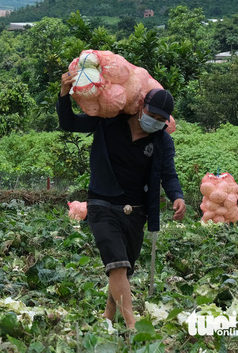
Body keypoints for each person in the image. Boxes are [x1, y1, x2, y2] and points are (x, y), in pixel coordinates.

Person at [56, 71, 186, 330]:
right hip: (102, 204)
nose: (155, 122)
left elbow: (168, 174)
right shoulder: (108, 121)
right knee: (116, 265)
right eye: (153, 115)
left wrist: (178, 196)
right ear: (141, 107)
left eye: (161, 120)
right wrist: (63, 95)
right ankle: (132, 326)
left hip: (136, 211)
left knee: (122, 268)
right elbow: (69, 122)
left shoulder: (162, 141)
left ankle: (108, 315)